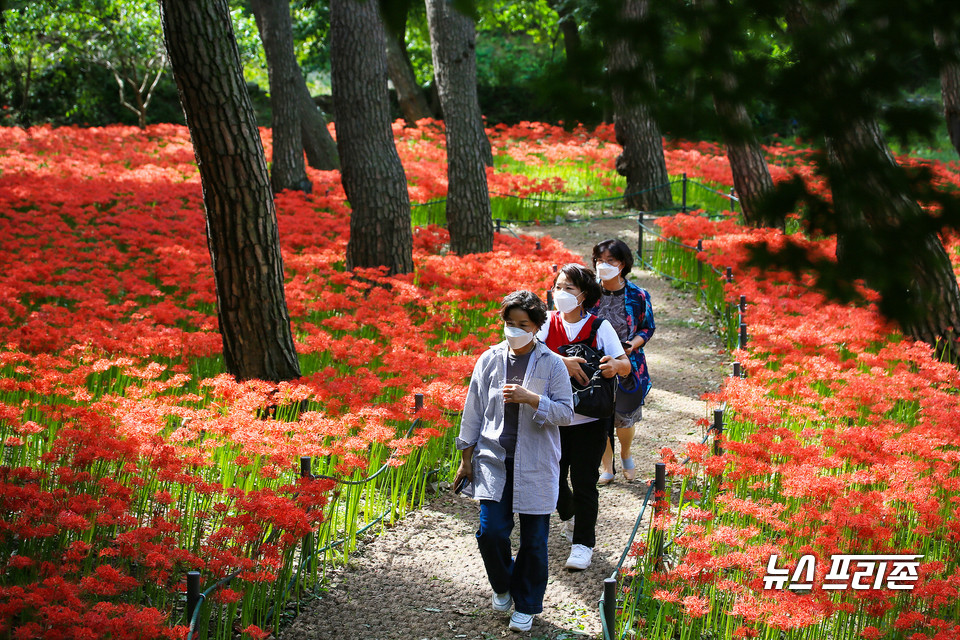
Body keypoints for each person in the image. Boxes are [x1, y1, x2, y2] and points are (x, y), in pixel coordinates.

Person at [454, 290, 574, 633]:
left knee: (535, 540)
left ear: (537, 327)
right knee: (490, 532)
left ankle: (528, 603)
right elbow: (473, 410)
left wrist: (533, 399)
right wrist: (466, 458)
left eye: (523, 324)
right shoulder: (489, 359)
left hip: (536, 461)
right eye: (510, 323)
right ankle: (503, 583)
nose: (515, 330)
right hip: (493, 458)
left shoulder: (552, 363)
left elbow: (566, 413)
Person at [536, 264, 631, 571]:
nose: (560, 294)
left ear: (585, 295)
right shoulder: (547, 323)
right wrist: (561, 360)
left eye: (568, 289)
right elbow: (528, 353)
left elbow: (625, 365)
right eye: (557, 287)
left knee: (585, 481)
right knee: (553, 480)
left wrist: (614, 368)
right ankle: (567, 508)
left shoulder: (600, 327)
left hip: (590, 420)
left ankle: (583, 545)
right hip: (553, 418)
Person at [591, 239, 655, 484]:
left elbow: (647, 328)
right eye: (599, 260)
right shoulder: (589, 293)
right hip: (597, 362)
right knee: (601, 415)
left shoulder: (637, 295)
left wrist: (631, 346)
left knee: (624, 416)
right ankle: (607, 465)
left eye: (610, 261)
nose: (603, 265)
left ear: (623, 264)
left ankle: (626, 453)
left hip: (629, 363)